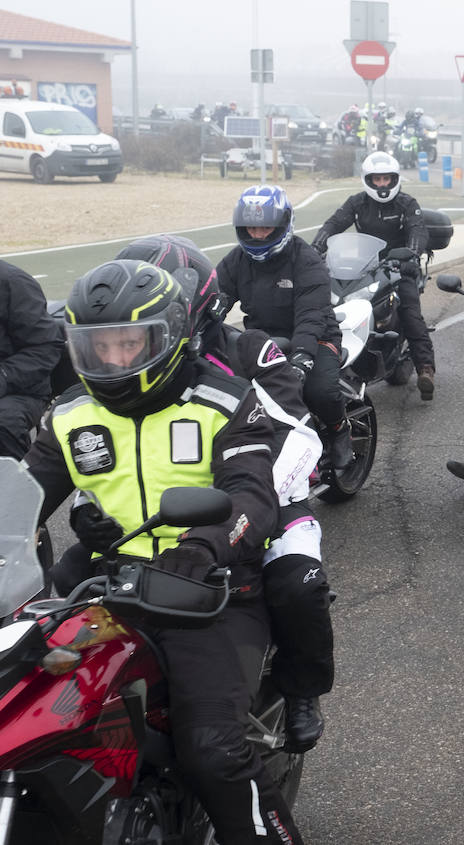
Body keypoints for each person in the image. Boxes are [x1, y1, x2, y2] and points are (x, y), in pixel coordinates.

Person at [23, 259, 306, 844]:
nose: (114, 360)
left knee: (213, 750)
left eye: (130, 344)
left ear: (171, 334)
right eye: (97, 348)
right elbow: (23, 493)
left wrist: (204, 547)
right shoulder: (71, 414)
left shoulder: (226, 401)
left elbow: (250, 494)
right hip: (106, 591)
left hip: (211, 592)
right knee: (30, 722)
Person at [110, 234, 336, 753]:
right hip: (162, 512)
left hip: (267, 493)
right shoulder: (131, 365)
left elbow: (296, 429)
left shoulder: (250, 349)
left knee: (298, 584)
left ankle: (301, 688)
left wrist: (249, 504)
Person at [216, 185, 354, 467]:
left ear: (282, 224)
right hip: (261, 340)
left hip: (315, 338)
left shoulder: (306, 260)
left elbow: (311, 314)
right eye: (250, 228)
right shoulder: (236, 260)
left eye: (265, 227)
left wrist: (303, 357)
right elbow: (215, 299)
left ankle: (340, 430)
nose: (257, 234)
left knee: (320, 392)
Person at [311, 152, 436, 400]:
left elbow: (417, 231)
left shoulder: (407, 204)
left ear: (394, 179)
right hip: (363, 266)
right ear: (368, 180)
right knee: (331, 306)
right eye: (376, 179)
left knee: (410, 312)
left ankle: (425, 368)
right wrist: (315, 249)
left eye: (386, 179)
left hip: (399, 268)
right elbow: (333, 224)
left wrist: (411, 255)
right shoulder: (356, 203)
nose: (381, 184)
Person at [0, 260, 64, 459]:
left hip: (20, 389)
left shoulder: (12, 282)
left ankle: (14, 487)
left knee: (4, 420)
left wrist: (3, 376)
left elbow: (46, 346)